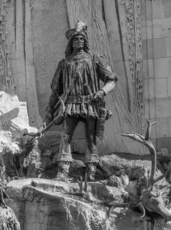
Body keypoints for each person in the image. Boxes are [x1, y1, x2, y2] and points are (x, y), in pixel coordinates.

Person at [46, 20, 118, 182]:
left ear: (85, 41)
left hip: (90, 104)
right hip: (70, 104)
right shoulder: (64, 64)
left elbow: (112, 80)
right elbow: (56, 90)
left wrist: (102, 91)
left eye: (82, 39)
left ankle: (91, 171)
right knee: (65, 136)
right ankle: (63, 170)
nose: (79, 41)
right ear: (71, 42)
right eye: (76, 39)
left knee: (91, 139)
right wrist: (49, 111)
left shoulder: (94, 59)